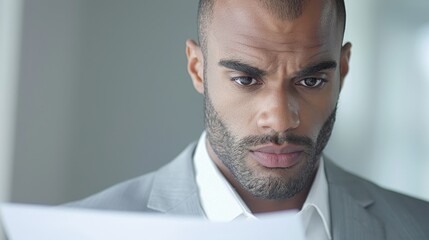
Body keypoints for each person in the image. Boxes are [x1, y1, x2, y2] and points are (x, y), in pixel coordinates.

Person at [67, 0, 429, 239]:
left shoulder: (417, 226)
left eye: (311, 80)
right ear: (197, 68)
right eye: (246, 79)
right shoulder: (74, 231)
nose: (280, 121)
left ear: (343, 69)